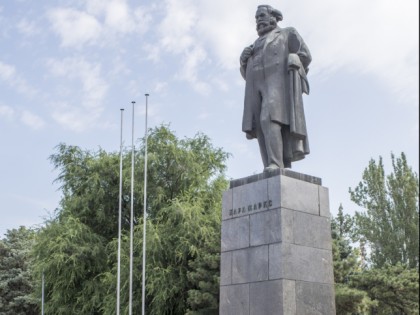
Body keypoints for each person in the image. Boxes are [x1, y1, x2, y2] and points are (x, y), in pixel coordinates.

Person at [240, 5, 312, 171]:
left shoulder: (287, 34)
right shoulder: (253, 45)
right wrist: (243, 61)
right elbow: (246, 75)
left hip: (277, 86)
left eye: (262, 16)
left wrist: (295, 58)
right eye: (257, 18)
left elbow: (306, 56)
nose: (259, 20)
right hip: (256, 89)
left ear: (274, 17)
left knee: (269, 118)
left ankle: (276, 162)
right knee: (260, 125)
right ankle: (270, 164)